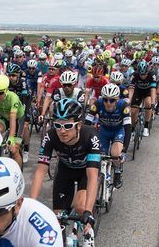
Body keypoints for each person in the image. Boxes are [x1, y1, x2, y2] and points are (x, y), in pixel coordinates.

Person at [30, 98, 100, 241]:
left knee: (80, 207)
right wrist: (31, 204)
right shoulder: (50, 136)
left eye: (68, 126)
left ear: (79, 125)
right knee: (58, 217)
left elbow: (93, 176)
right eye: (58, 125)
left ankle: (88, 235)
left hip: (85, 173)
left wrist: (88, 211)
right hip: (65, 171)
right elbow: (40, 172)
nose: (62, 131)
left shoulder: (90, 136)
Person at [84, 83, 131, 188]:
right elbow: (87, 124)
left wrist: (124, 151)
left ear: (117, 99)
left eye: (112, 100)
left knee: (115, 154)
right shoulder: (97, 104)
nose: (108, 103)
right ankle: (103, 177)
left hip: (118, 131)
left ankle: (118, 173)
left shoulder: (123, 106)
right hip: (103, 131)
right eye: (106, 100)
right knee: (100, 156)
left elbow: (128, 128)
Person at [0, 75, 24, 168]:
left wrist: (11, 137)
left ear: (7, 90)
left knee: (14, 149)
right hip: (3, 116)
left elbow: (13, 117)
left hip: (17, 118)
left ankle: (18, 173)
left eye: (1, 93)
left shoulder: (13, 97)